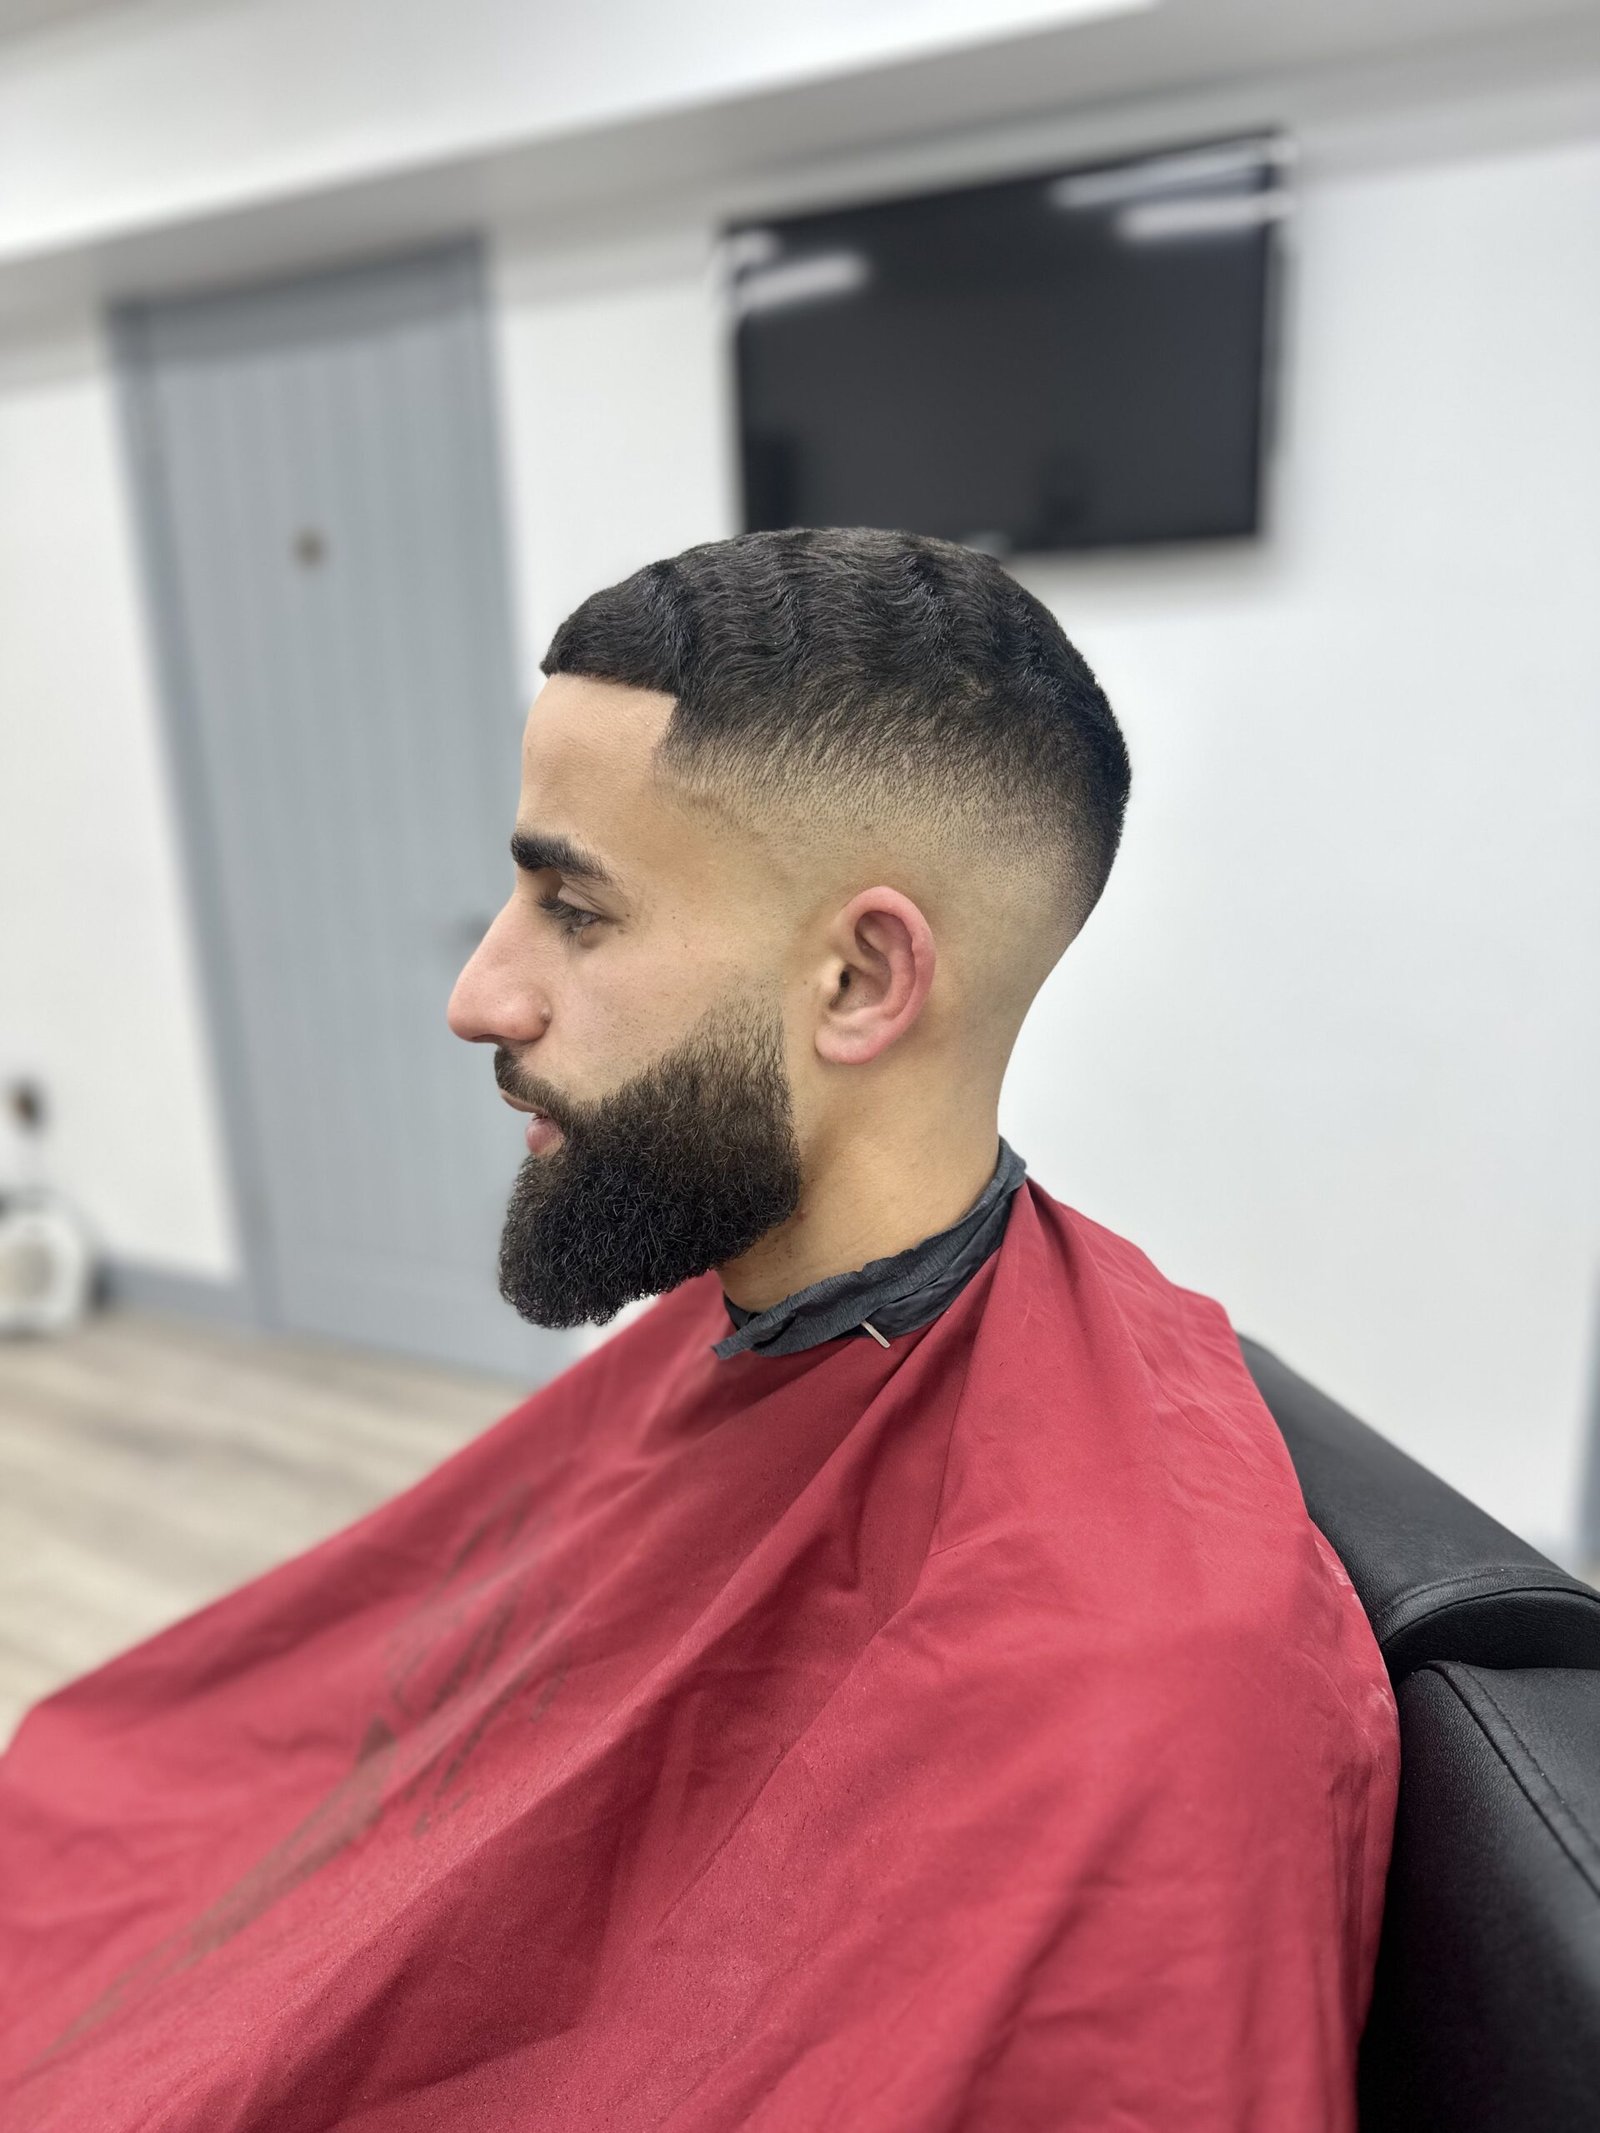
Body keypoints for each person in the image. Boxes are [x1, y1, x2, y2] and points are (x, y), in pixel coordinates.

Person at [0, 526, 1399, 2130]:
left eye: (575, 910)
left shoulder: (1148, 1694)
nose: (480, 993)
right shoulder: (740, 1317)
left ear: (862, 979)